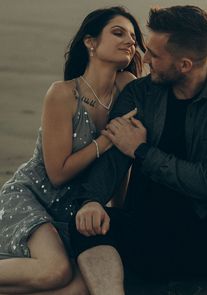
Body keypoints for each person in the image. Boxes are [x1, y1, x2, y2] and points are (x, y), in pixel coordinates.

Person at [69, 5, 207, 295]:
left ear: (184, 65)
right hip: (149, 235)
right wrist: (93, 200)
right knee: (85, 223)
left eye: (155, 55)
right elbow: (112, 162)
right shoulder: (140, 94)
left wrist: (143, 151)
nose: (143, 59)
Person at [0, 6, 145, 294]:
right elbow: (57, 173)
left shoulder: (128, 87)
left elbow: (120, 164)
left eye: (133, 36)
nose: (129, 41)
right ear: (90, 42)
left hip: (75, 212)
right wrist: (106, 141)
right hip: (35, 198)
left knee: (82, 286)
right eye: (118, 32)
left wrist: (118, 214)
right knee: (55, 271)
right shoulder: (63, 94)